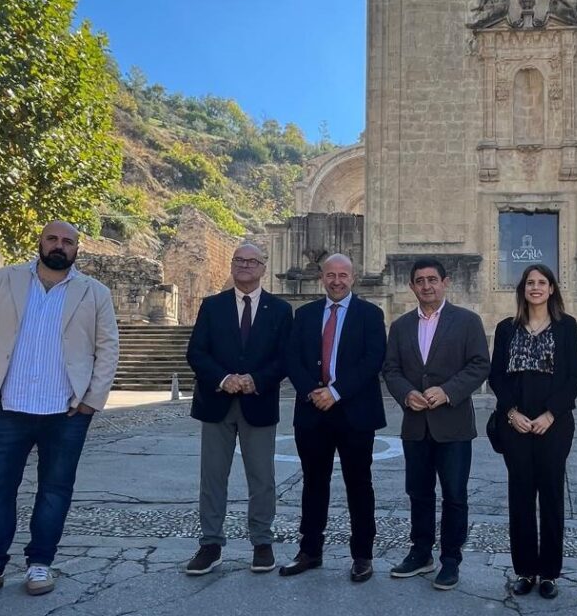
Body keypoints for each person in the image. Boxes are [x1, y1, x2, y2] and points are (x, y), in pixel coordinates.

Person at [0, 221, 119, 605]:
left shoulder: (94, 293)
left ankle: (40, 562)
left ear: (78, 249)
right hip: (8, 407)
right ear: (40, 243)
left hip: (66, 410)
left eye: (68, 241)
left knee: (55, 491)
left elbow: (107, 348)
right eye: (53, 239)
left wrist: (92, 399)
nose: (60, 246)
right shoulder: (3, 281)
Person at [185, 244, 293, 576]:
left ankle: (262, 543)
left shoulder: (279, 310)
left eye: (252, 261)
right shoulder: (212, 306)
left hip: (258, 403)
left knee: (262, 478)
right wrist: (224, 378)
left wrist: (254, 380)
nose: (245, 266)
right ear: (231, 266)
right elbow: (196, 352)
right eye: (239, 260)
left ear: (263, 267)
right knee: (213, 477)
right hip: (216, 402)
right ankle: (211, 544)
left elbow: (285, 357)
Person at [383, 258, 490, 591]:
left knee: (454, 495)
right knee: (418, 492)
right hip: (416, 425)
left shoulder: (467, 322)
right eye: (419, 281)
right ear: (412, 286)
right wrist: (406, 394)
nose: (426, 286)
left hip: (453, 425)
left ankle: (450, 559)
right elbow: (391, 369)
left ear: (446, 282)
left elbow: (479, 365)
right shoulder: (400, 326)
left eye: (432, 279)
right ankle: (420, 552)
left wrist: (447, 391)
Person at [281, 254, 386, 583]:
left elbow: (373, 360)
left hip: (355, 412)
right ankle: (310, 550)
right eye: (331, 275)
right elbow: (292, 357)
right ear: (321, 278)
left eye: (343, 275)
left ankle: (362, 556)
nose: (337, 280)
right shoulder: (306, 314)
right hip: (313, 412)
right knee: (313, 483)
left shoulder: (371, 314)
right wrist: (313, 390)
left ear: (353, 277)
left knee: (359, 485)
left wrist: (336, 392)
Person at [488, 265, 577, 600]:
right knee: (521, 498)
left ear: (553, 289)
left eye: (542, 282)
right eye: (530, 283)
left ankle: (549, 574)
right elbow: (496, 377)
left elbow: (574, 378)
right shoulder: (506, 328)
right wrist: (511, 413)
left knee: (552, 497)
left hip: (553, 426)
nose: (536, 287)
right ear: (522, 290)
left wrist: (550, 414)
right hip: (515, 425)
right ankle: (526, 570)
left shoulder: (566, 327)